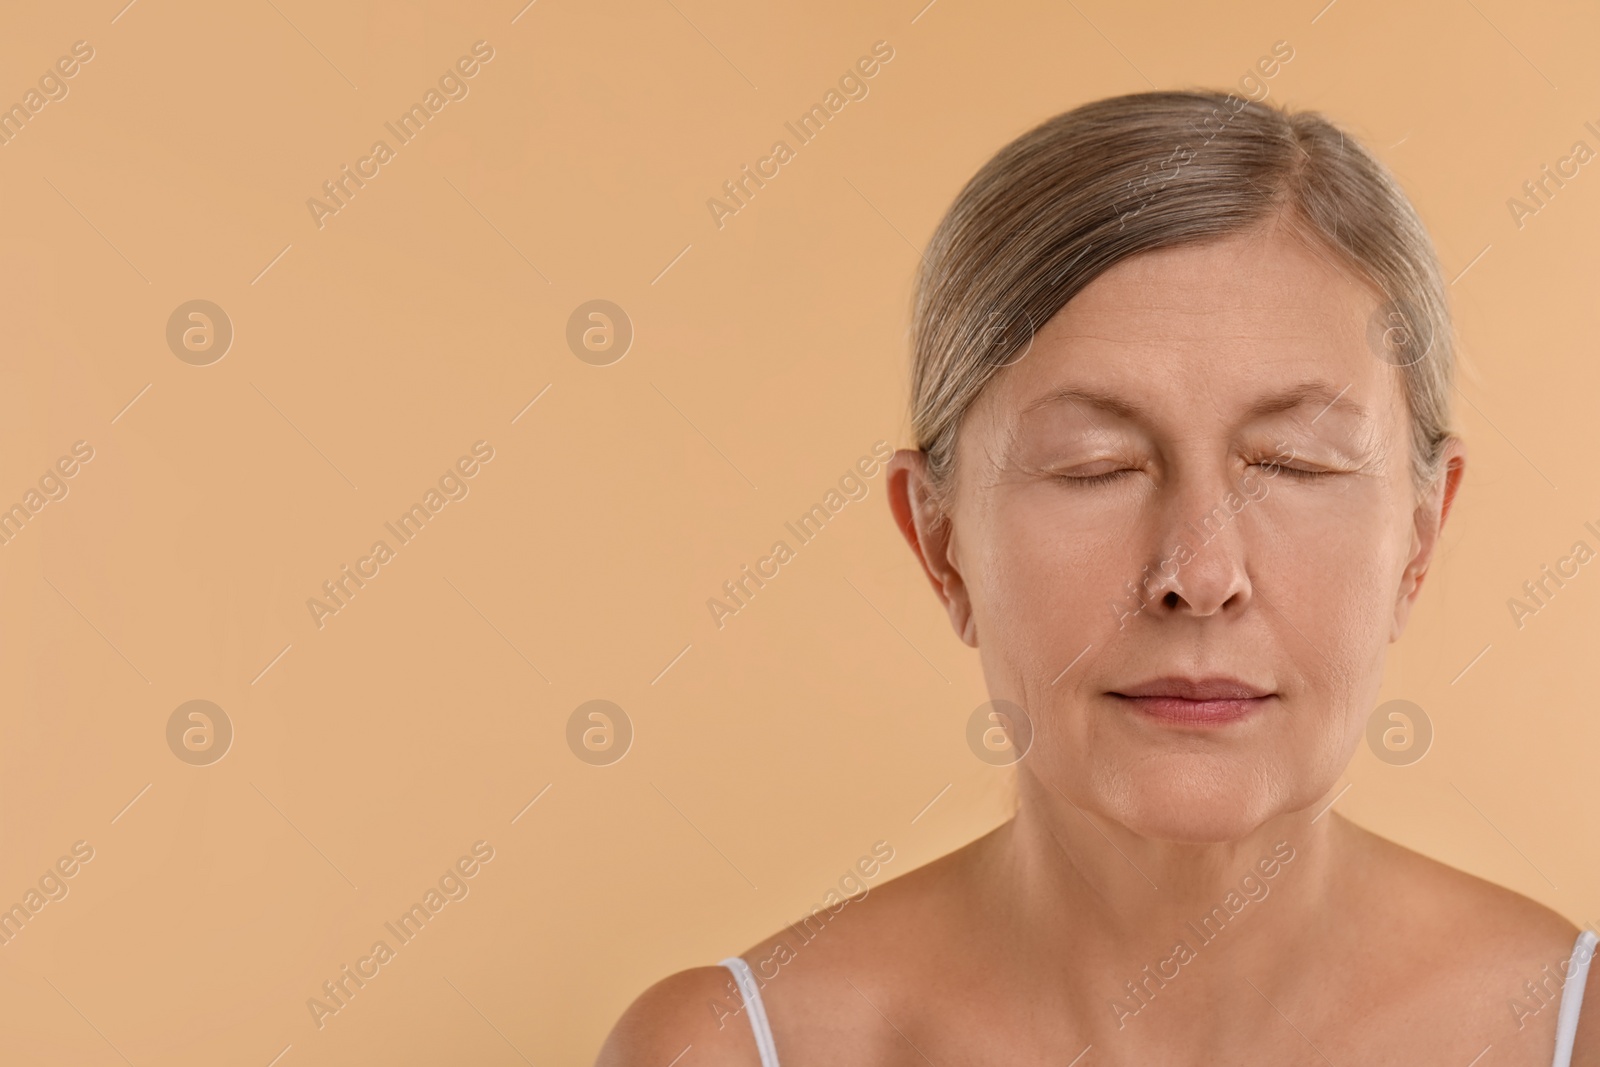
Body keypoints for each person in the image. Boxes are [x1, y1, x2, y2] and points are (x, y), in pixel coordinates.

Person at [596, 90, 1599, 1065]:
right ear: (940, 541)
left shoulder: (1573, 1028)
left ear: (1420, 533)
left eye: (1292, 464)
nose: (1197, 574)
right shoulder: (726, 1049)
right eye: (1097, 467)